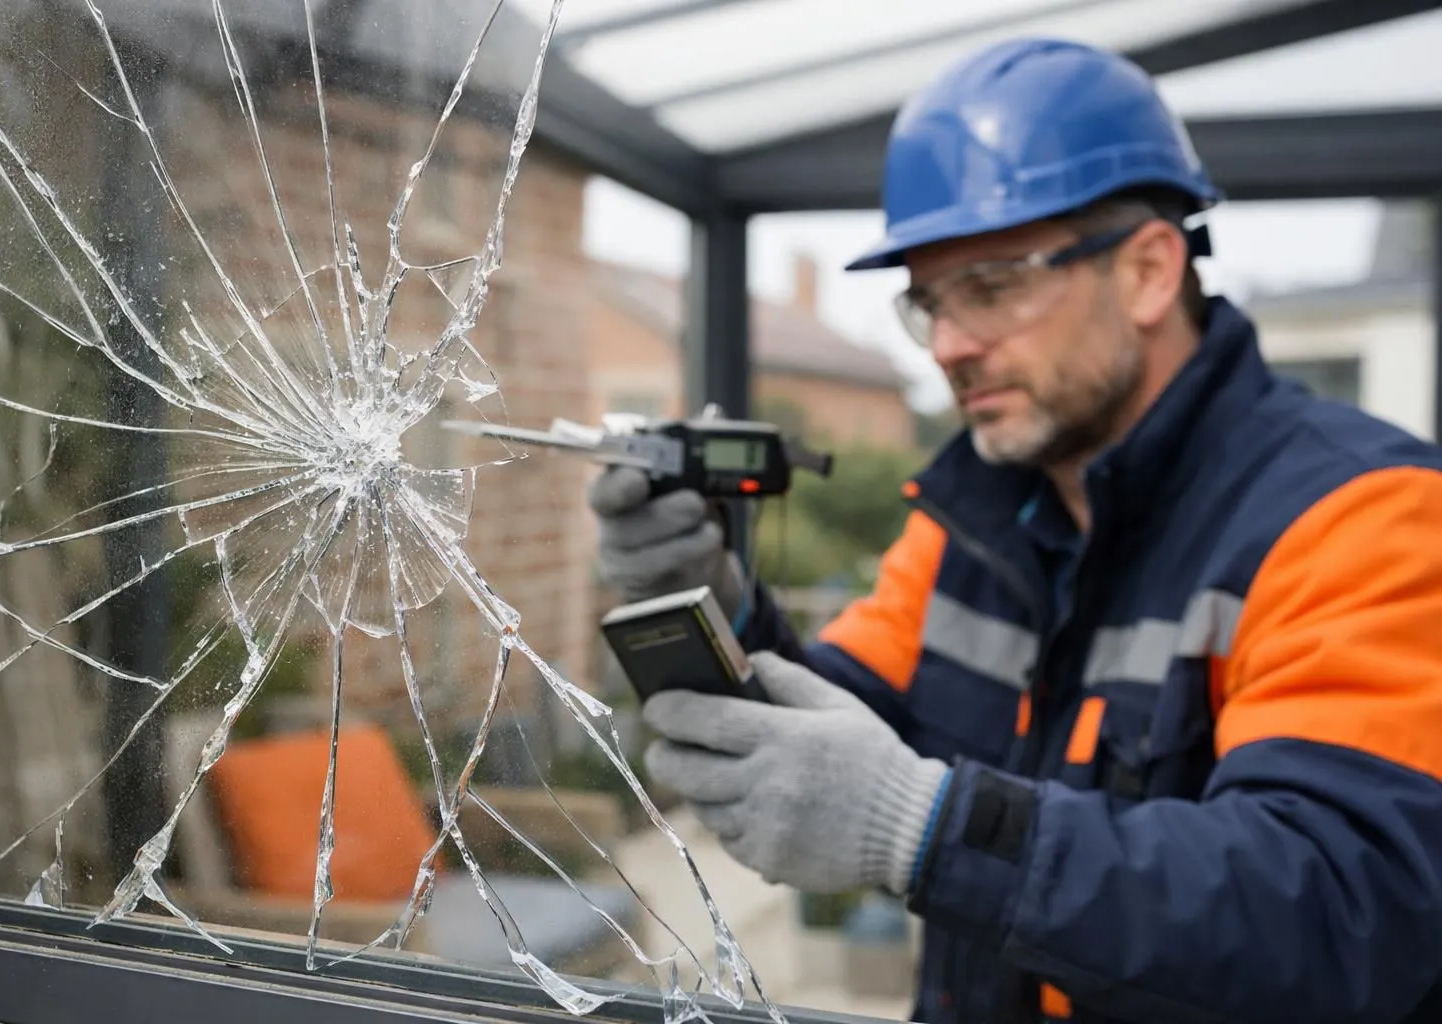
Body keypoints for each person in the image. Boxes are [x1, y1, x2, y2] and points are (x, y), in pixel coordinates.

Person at [587, 35, 1442, 1024]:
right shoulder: (976, 520)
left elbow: (1342, 913)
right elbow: (846, 725)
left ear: (1150, 272)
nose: (949, 344)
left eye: (991, 286)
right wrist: (715, 599)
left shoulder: (1366, 514)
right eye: (929, 302)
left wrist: (930, 831)